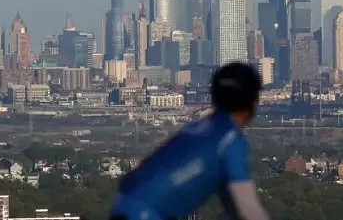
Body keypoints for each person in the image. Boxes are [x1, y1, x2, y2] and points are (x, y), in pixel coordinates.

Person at [109, 62, 270, 220]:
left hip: (125, 204)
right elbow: (249, 211)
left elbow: (232, 204)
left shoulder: (199, 127)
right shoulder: (229, 140)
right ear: (252, 101)